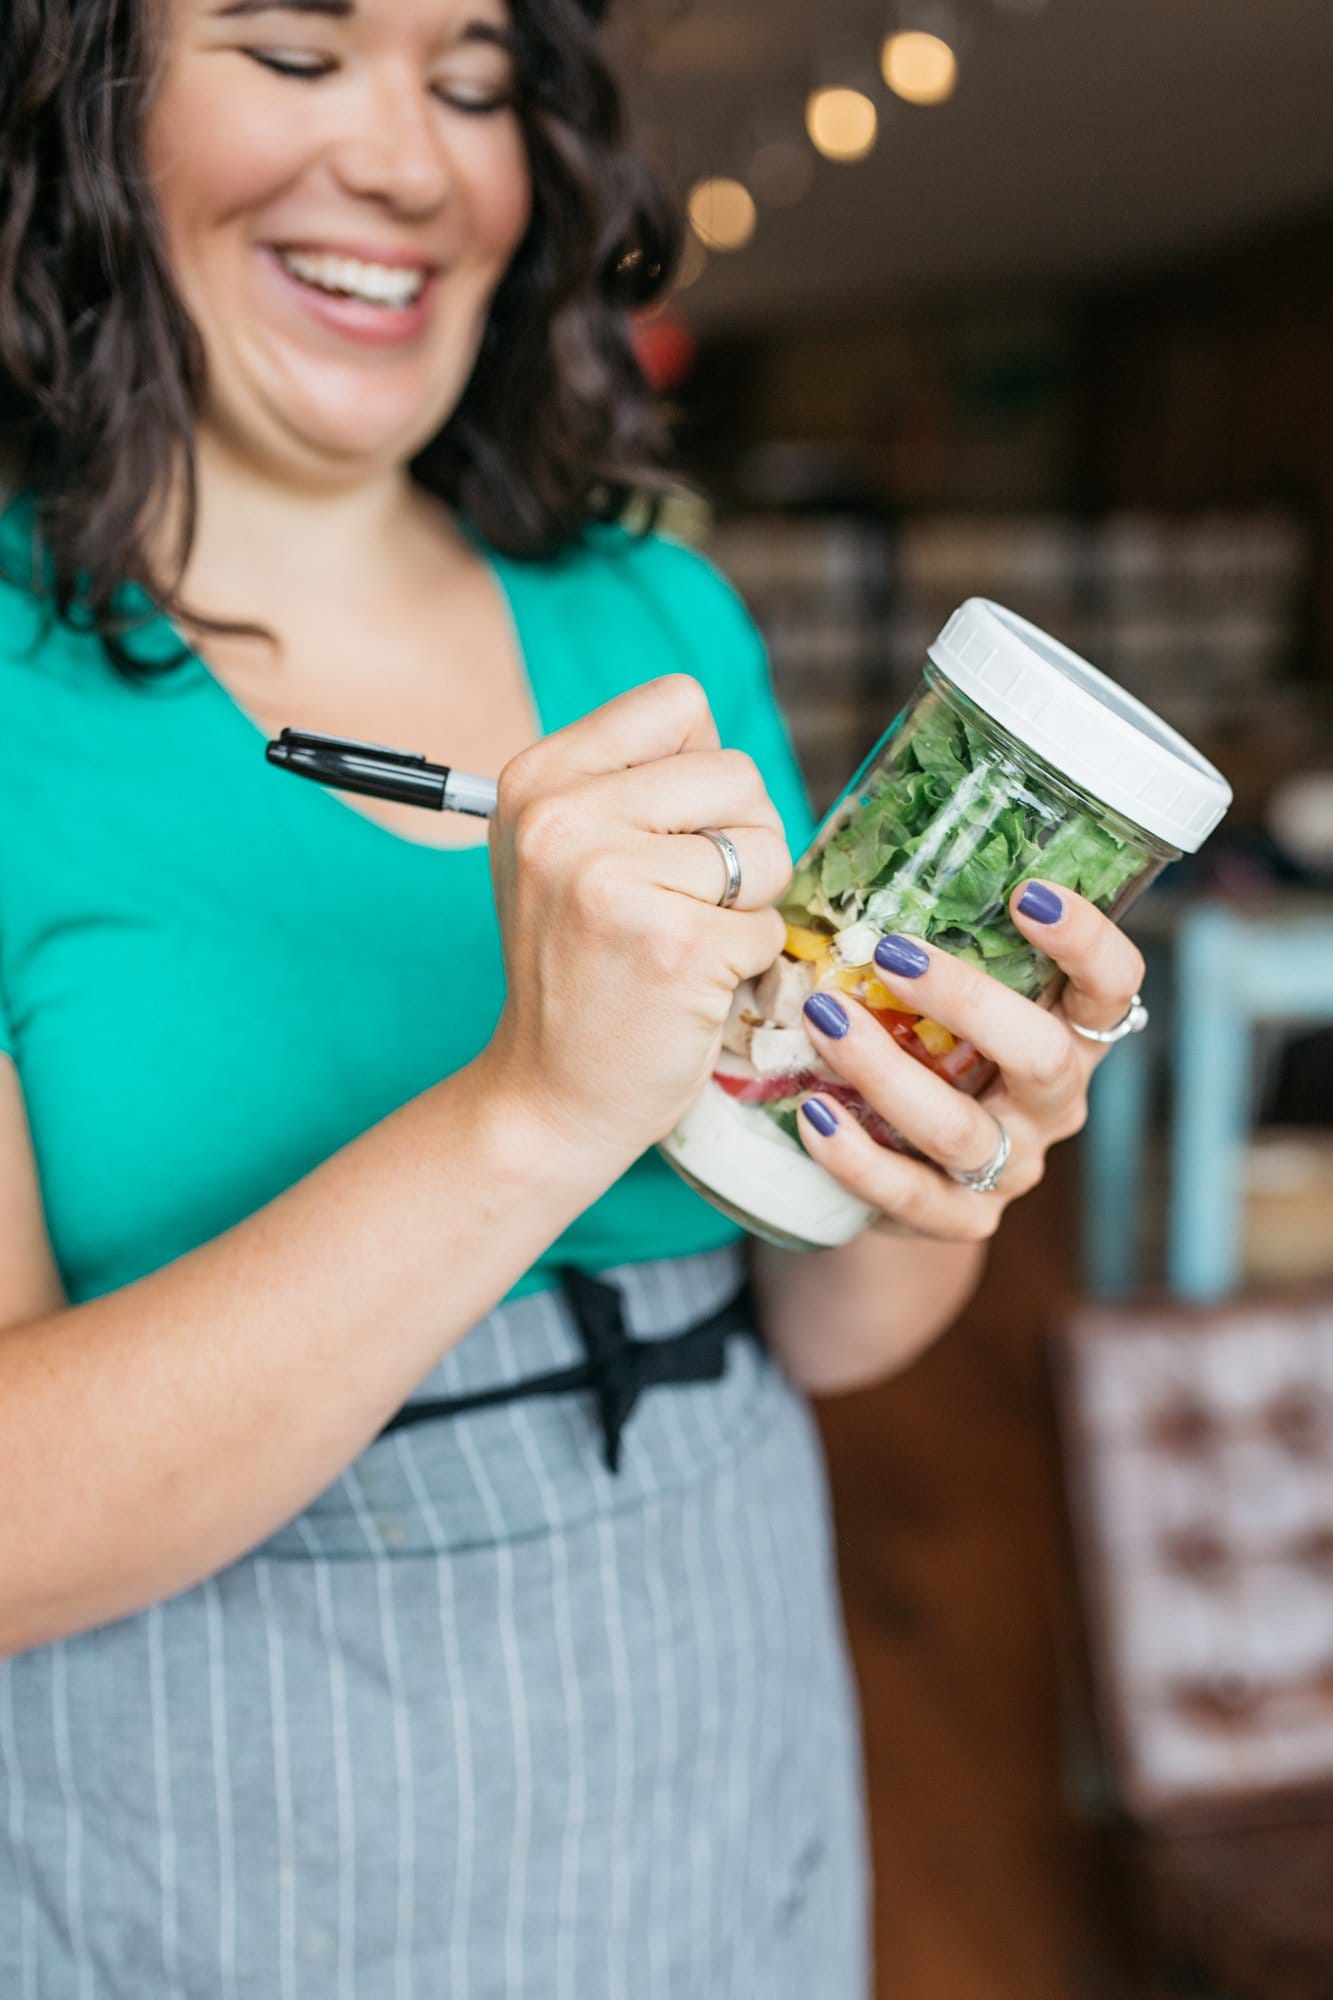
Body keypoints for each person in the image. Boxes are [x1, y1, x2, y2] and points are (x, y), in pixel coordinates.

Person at [0, 0, 1148, 1993]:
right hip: (210, 1845)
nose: (413, 162)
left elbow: (830, 1321)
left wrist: (931, 1156)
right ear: (75, 109)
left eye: (469, 82)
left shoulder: (648, 606)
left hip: (723, 1732)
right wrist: (527, 1111)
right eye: (293, 53)